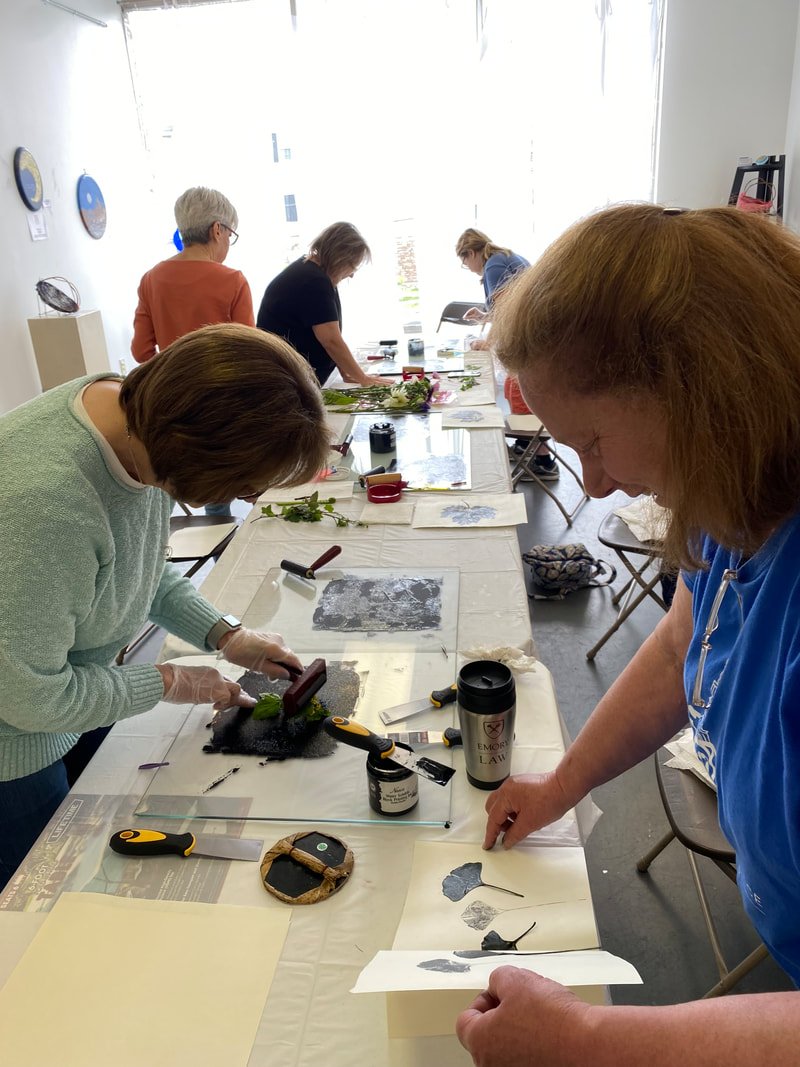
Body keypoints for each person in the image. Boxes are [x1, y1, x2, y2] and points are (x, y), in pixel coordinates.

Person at [455, 203, 800, 1066]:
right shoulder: (737, 490)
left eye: (596, 440)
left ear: (703, 388)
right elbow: (683, 640)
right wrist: (562, 781)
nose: (599, 484)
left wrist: (592, 1038)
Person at [0, 323, 330, 891]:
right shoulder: (45, 507)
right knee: (45, 896)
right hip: (14, 738)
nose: (248, 497)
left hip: (56, 690)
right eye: (247, 485)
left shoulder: (136, 420)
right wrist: (171, 681)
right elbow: (33, 698)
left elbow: (134, 569)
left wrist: (227, 635)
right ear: (202, 450)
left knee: (99, 842)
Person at [131, 186, 255, 517]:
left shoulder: (151, 279)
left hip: (170, 405)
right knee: (223, 495)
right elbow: (250, 355)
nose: (229, 242)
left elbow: (141, 350)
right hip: (222, 405)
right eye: (231, 233)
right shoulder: (233, 281)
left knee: (178, 491)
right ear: (218, 229)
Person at [455, 228, 557, 481]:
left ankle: (543, 461)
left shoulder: (492, 266)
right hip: (538, 333)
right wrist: (483, 316)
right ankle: (525, 447)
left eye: (464, 261)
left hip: (532, 338)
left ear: (471, 253)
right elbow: (512, 308)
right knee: (515, 392)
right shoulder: (505, 258)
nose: (467, 267)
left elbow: (504, 312)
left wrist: (486, 343)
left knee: (521, 394)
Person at [256, 221, 386, 387]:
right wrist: (364, 379)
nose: (351, 275)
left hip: (294, 376)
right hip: (289, 379)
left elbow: (332, 333)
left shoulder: (315, 272)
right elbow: (330, 340)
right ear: (340, 258)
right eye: (352, 266)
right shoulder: (313, 281)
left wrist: (346, 371)